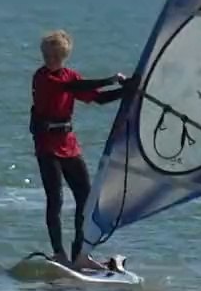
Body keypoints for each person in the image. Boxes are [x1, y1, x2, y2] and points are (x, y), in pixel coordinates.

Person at [30, 29, 134, 269]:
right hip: (47, 146)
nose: (50, 61)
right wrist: (111, 79)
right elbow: (73, 86)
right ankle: (58, 253)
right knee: (55, 200)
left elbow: (97, 98)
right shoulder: (43, 78)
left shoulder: (69, 76)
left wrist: (126, 91)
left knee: (85, 199)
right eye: (47, 56)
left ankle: (80, 255)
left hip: (68, 144)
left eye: (55, 56)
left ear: (64, 56)